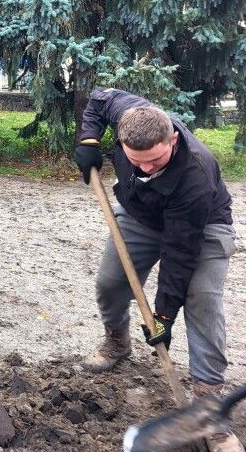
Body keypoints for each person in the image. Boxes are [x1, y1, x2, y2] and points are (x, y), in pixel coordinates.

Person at [74, 87, 242, 452]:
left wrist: (163, 316)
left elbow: (180, 255)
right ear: (122, 139)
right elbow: (100, 98)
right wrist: (88, 140)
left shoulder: (195, 173)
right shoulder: (129, 114)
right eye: (137, 161)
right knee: (110, 283)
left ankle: (209, 406)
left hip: (202, 224)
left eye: (155, 160)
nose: (146, 167)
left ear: (174, 139)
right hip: (140, 215)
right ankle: (117, 343)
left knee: (201, 300)